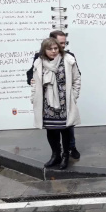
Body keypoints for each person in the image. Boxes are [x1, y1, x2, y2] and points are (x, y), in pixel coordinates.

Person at [27, 30, 81, 160]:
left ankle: (68, 152)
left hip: (64, 101)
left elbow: (77, 77)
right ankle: (56, 155)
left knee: (67, 128)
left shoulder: (69, 57)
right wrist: (33, 84)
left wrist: (73, 96)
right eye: (59, 43)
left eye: (63, 44)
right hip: (48, 103)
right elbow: (32, 74)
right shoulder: (39, 59)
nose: (61, 47)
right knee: (51, 130)